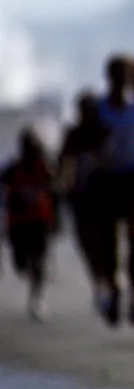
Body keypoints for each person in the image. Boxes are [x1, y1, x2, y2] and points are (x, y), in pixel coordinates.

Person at [89, 54, 134, 328]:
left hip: (133, 177)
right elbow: (90, 144)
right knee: (110, 242)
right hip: (108, 177)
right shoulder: (100, 109)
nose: (122, 81)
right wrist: (102, 141)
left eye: (126, 75)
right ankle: (113, 289)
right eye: (118, 75)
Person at [2, 128, 58, 320]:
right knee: (20, 264)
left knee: (38, 260)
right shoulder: (12, 170)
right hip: (17, 224)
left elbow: (55, 192)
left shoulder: (44, 169)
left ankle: (37, 299)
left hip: (38, 222)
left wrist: (56, 220)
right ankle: (34, 277)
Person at [58, 90, 104, 290]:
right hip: (81, 195)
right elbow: (64, 162)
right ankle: (98, 279)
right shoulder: (74, 135)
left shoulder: (104, 132)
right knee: (86, 240)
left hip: (104, 192)